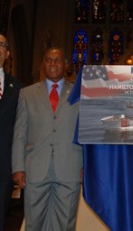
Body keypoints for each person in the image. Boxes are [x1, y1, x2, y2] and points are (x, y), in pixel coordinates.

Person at [12, 47, 83, 230]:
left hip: (70, 167)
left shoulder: (80, 93)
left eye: (57, 60)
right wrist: (18, 167)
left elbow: (85, 131)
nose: (53, 63)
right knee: (34, 223)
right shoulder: (27, 94)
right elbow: (20, 133)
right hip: (35, 168)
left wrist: (86, 165)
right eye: (48, 59)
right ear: (43, 64)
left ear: (66, 64)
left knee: (65, 224)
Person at [0, 33, 22, 231]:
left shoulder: (18, 88)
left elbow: (22, 129)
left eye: (1, 45)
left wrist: (18, 166)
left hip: (3, 168)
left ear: (7, 53)